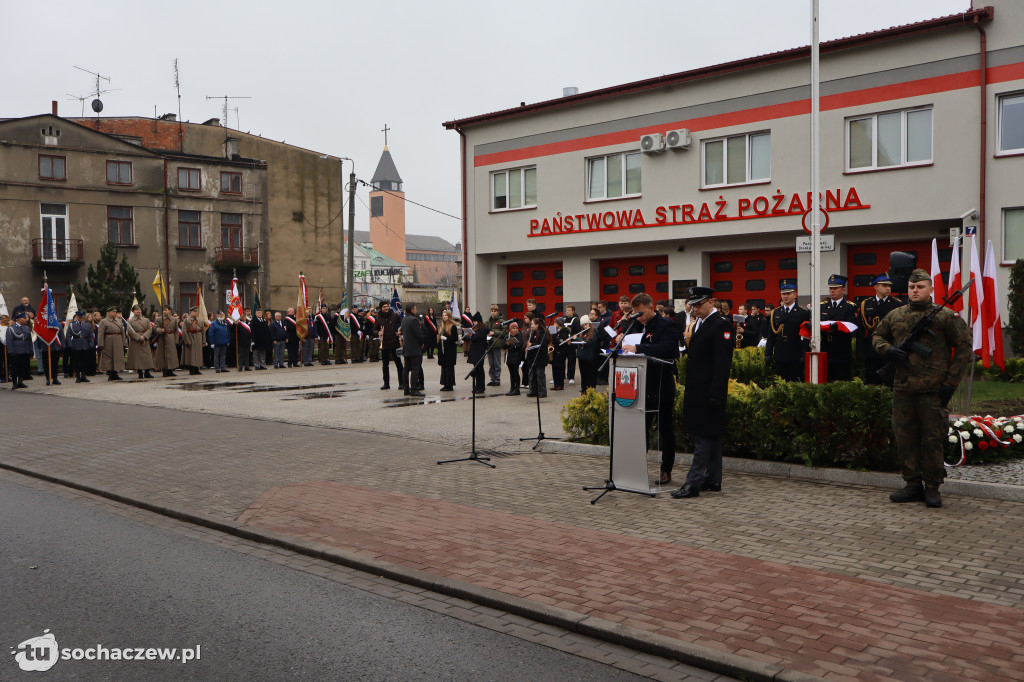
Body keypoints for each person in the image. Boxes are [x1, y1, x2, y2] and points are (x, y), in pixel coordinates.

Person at [872, 269, 972, 508]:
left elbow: (964, 349)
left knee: (932, 439)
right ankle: (912, 485)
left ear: (931, 289)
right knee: (905, 438)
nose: (915, 291)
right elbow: (877, 336)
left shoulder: (946, 316)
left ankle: (932, 487)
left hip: (933, 390)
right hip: (903, 389)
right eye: (911, 287)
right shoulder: (895, 315)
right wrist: (889, 350)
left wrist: (950, 384)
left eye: (920, 287)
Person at [671, 287, 735, 499]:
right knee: (712, 437)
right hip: (698, 389)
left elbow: (722, 364)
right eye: (693, 304)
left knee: (703, 438)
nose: (694, 308)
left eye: (698, 304)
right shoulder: (700, 323)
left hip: (709, 391)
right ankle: (713, 479)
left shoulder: (721, 324)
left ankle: (693, 483)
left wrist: (716, 394)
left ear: (711, 302)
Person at [619, 293, 681, 486]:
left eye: (641, 313)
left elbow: (666, 348)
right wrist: (623, 339)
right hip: (640, 384)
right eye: (635, 313)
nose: (639, 317)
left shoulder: (666, 325)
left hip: (661, 383)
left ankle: (666, 470)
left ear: (651, 307)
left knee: (665, 429)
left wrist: (638, 348)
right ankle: (636, 467)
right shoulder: (636, 325)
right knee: (640, 429)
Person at [859, 274, 902, 385]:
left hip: (889, 348)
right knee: (871, 382)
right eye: (884, 285)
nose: (888, 288)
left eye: (889, 286)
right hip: (871, 348)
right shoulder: (866, 304)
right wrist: (860, 350)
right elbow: (862, 329)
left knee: (889, 383)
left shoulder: (897, 304)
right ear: (876, 287)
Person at [764, 281, 810, 381]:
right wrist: (768, 353)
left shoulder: (803, 312)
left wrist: (804, 354)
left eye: (788, 293)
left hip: (795, 352)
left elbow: (806, 337)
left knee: (796, 381)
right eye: (783, 294)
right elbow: (771, 334)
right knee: (780, 382)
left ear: (795, 294)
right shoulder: (775, 312)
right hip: (780, 352)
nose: (786, 296)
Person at [819, 274, 858, 381]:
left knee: (842, 379)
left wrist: (836, 327)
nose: (832, 291)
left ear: (843, 289)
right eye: (831, 288)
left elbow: (851, 327)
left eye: (835, 288)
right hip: (826, 347)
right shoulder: (822, 306)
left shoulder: (850, 306)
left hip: (842, 348)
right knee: (826, 379)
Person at [375, 301, 405, 390]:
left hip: (395, 344)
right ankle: (386, 383)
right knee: (385, 365)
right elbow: (373, 330)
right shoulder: (378, 318)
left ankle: (402, 383)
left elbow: (404, 323)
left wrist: (401, 332)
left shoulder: (395, 315)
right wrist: (378, 332)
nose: (386, 308)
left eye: (387, 306)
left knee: (399, 364)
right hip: (384, 345)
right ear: (381, 308)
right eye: (384, 307)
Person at [399, 302, 425, 396]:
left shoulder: (404, 319)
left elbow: (402, 331)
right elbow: (419, 334)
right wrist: (422, 343)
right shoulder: (414, 320)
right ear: (412, 310)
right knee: (415, 369)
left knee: (406, 369)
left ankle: (406, 389)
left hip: (407, 348)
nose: (416, 310)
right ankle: (413, 389)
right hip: (414, 348)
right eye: (415, 308)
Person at [125, 305, 155, 379]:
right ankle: (140, 372)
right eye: (136, 310)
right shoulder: (130, 321)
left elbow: (149, 329)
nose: (138, 311)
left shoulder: (146, 320)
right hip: (136, 341)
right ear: (133, 312)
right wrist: (138, 337)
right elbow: (129, 331)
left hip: (145, 339)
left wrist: (144, 336)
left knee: (147, 357)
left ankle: (147, 372)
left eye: (139, 310)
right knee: (137, 358)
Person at [96, 306, 126, 381]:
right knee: (108, 357)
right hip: (108, 341)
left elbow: (122, 332)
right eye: (113, 312)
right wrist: (101, 343)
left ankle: (115, 372)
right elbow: (100, 333)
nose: (115, 313)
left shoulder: (119, 321)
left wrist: (124, 342)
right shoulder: (104, 321)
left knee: (117, 357)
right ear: (108, 312)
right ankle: (110, 373)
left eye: (115, 312)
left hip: (118, 340)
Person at [524, 316, 549, 398]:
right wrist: (528, 347)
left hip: (540, 357)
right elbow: (530, 342)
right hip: (532, 357)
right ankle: (533, 390)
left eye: (533, 324)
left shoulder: (542, 333)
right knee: (532, 375)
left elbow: (542, 344)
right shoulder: (533, 333)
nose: (531, 326)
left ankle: (542, 391)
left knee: (540, 375)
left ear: (537, 325)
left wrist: (532, 345)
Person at [6, 311, 33, 389]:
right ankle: (15, 383)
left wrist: (31, 350)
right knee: (15, 368)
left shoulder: (26, 327)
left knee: (23, 367)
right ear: (19, 319)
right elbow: (9, 341)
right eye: (24, 318)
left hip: (25, 350)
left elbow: (29, 340)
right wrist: (11, 351)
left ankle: (20, 382)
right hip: (16, 351)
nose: (26, 320)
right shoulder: (11, 328)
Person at [68, 310, 95, 383]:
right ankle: (78, 376)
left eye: (82, 317)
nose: (81, 318)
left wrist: (91, 344)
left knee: (85, 361)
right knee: (76, 361)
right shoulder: (72, 324)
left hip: (85, 344)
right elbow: (69, 335)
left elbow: (90, 335)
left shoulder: (87, 324)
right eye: (79, 317)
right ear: (77, 317)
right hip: (76, 344)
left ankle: (83, 375)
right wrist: (70, 344)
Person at [575, 315, 599, 393]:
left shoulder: (594, 332)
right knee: (583, 375)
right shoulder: (582, 332)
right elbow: (580, 343)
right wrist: (571, 342)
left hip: (589, 357)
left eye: (586, 324)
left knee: (589, 375)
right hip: (582, 356)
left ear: (589, 323)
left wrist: (577, 339)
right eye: (583, 325)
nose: (585, 326)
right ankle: (584, 389)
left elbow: (587, 343)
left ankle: (590, 390)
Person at [437, 309, 459, 391]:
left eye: (445, 315)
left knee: (449, 367)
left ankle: (450, 385)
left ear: (449, 316)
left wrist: (446, 338)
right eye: (443, 315)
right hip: (443, 350)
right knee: (444, 367)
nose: (444, 317)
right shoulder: (442, 326)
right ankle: (445, 384)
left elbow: (455, 338)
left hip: (450, 350)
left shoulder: (452, 326)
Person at [154, 305, 179, 377]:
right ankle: (164, 370)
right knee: (163, 355)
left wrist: (176, 340)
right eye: (164, 310)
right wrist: (160, 330)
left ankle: (170, 370)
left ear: (170, 311)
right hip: (162, 338)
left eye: (166, 310)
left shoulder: (174, 319)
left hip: (171, 338)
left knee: (171, 355)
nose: (164, 311)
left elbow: (176, 331)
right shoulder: (159, 319)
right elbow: (155, 328)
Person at [180, 306, 205, 375]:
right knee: (191, 355)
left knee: (198, 355)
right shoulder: (187, 320)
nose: (196, 313)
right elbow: (184, 331)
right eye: (194, 311)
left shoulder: (200, 320)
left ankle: (197, 369)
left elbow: (203, 331)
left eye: (196, 311)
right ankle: (192, 369)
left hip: (198, 337)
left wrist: (203, 340)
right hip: (191, 337)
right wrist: (187, 340)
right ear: (191, 312)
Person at [466, 320, 489, 394]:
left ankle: (481, 387)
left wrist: (471, 335)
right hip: (475, 352)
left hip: (479, 352)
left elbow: (476, 338)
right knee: (477, 369)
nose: (474, 323)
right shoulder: (476, 329)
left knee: (480, 370)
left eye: (475, 321)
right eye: (473, 321)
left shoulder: (482, 329)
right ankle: (477, 386)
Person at [485, 305, 505, 386]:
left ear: (497, 312)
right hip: (489, 344)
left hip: (496, 344)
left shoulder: (501, 321)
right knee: (491, 363)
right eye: (492, 311)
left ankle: (497, 379)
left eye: (495, 311)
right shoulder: (488, 321)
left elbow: (505, 332)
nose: (493, 312)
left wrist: (494, 333)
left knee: (497, 363)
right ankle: (492, 378)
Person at [503, 320, 524, 396]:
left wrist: (509, 347)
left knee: (515, 372)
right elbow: (503, 346)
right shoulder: (507, 336)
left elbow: (518, 346)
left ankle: (517, 389)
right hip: (509, 357)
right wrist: (507, 344)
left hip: (516, 357)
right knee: (511, 373)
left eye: (516, 328)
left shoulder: (519, 336)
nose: (515, 330)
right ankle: (512, 387)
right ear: (510, 329)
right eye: (513, 328)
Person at [563, 305, 581, 385]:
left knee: (571, 361)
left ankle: (571, 377)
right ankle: (562, 376)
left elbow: (577, 332)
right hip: (563, 343)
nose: (567, 312)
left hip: (571, 343)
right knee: (561, 360)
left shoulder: (576, 320)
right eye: (566, 310)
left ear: (573, 311)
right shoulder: (563, 319)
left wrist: (572, 339)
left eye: (569, 310)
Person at [551, 316, 570, 391]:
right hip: (555, 352)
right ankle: (556, 384)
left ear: (559, 324)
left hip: (561, 352)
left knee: (560, 369)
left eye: (555, 323)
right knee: (554, 368)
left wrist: (553, 337)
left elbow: (561, 341)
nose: (554, 324)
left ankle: (560, 384)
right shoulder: (556, 331)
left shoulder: (563, 331)